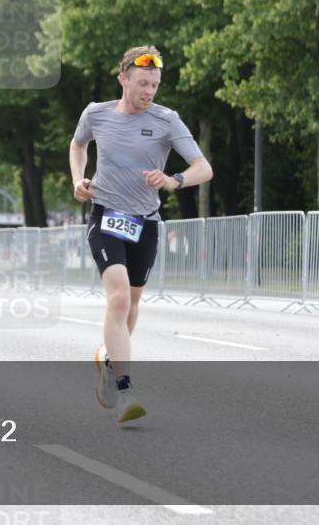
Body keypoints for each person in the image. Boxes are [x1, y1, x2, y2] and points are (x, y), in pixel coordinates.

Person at [70, 45, 212, 426]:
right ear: (123, 79)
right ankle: (125, 390)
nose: (149, 91)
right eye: (143, 83)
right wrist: (77, 179)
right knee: (117, 299)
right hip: (106, 215)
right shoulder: (96, 114)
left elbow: (203, 167)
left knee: (131, 306)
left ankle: (109, 360)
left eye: (155, 84)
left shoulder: (167, 120)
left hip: (145, 221)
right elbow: (78, 144)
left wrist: (173, 179)